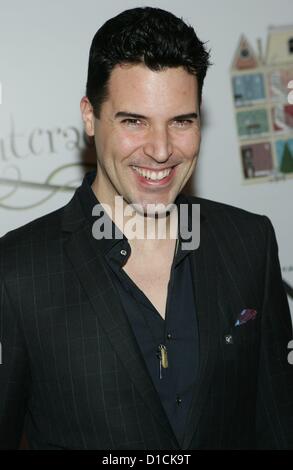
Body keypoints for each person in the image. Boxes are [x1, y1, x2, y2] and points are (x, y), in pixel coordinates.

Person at [0, 6, 292, 450]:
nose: (160, 150)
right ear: (89, 116)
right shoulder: (17, 273)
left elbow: (278, 426)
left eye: (181, 121)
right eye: (133, 121)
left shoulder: (249, 242)